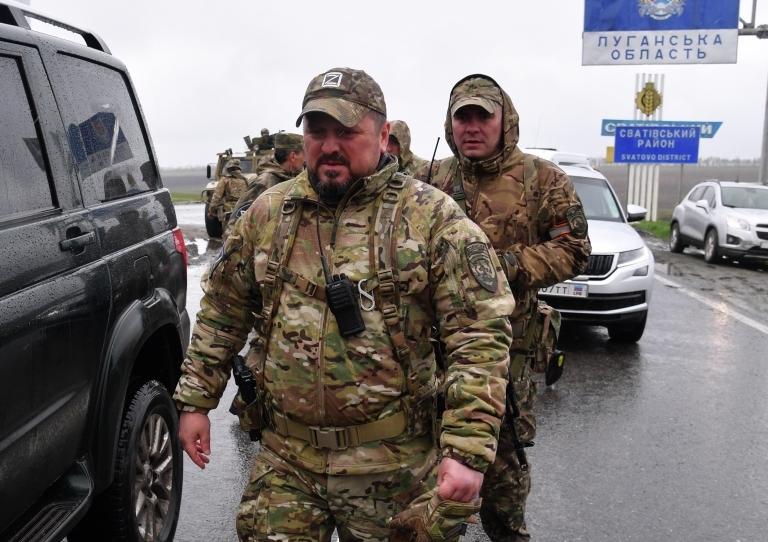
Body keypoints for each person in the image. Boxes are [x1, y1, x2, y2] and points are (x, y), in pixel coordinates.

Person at [173, 67, 516, 542]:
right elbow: (222, 311)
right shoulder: (268, 214)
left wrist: (466, 451)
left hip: (393, 466)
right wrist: (195, 400)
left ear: (383, 135)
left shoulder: (431, 218)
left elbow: (479, 337)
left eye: (347, 132)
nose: (330, 146)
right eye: (317, 132)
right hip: (286, 461)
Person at [417, 74, 591, 542]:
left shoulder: (542, 179)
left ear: (505, 120)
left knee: (502, 475)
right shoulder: (430, 180)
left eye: (483, 116)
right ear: (450, 123)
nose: (472, 127)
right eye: (463, 117)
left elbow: (575, 249)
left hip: (506, 354)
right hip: (433, 353)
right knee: (426, 471)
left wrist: (504, 267)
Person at [226, 132, 305, 233]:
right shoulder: (265, 183)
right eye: (304, 154)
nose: (305, 159)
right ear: (292, 156)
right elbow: (236, 225)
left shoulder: (297, 180)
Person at [208, 158, 249, 237]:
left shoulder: (225, 180)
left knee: (228, 234)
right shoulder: (246, 180)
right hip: (243, 210)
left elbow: (216, 197)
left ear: (228, 169)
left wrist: (211, 211)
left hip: (229, 211)